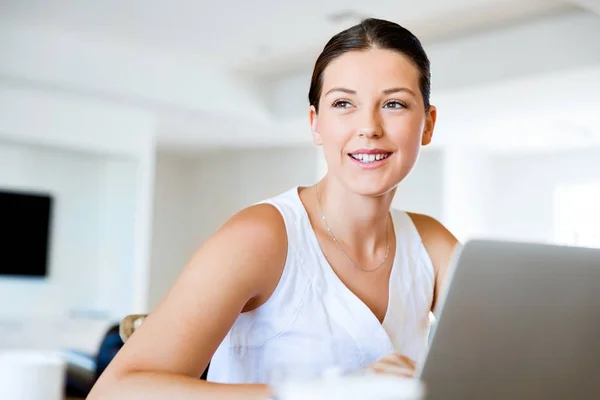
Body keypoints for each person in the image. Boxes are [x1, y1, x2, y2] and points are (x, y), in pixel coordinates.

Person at [87, 17, 459, 400]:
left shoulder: (431, 244)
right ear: (316, 124)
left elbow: (508, 363)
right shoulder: (261, 237)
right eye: (343, 103)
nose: (369, 126)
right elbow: (113, 392)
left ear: (427, 125)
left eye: (394, 104)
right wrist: (332, 394)